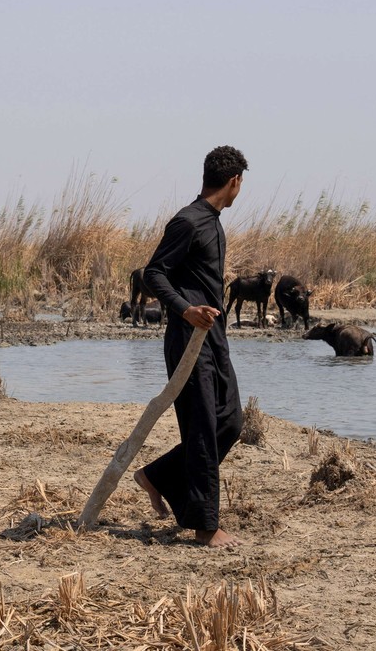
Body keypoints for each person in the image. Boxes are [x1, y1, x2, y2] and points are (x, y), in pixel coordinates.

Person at [133, 145, 248, 548]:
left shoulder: (213, 222)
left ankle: (158, 475)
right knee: (201, 428)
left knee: (230, 421)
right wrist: (185, 311)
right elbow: (154, 274)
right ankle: (205, 526)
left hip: (214, 338)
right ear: (234, 181)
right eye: (241, 184)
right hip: (188, 340)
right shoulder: (187, 221)